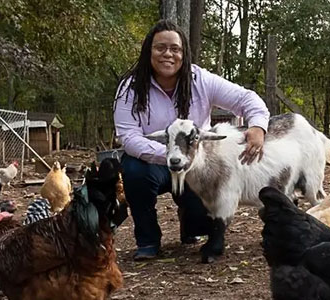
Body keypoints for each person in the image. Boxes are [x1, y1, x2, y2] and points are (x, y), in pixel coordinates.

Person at [114, 19, 270, 261]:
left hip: (197, 163)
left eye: (175, 49)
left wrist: (258, 126)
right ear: (149, 51)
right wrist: (172, 154)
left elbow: (247, 99)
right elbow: (129, 136)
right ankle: (148, 240)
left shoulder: (200, 79)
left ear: (183, 53)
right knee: (133, 171)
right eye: (160, 48)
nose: (168, 54)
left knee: (203, 225)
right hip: (153, 161)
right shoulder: (130, 88)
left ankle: (191, 224)